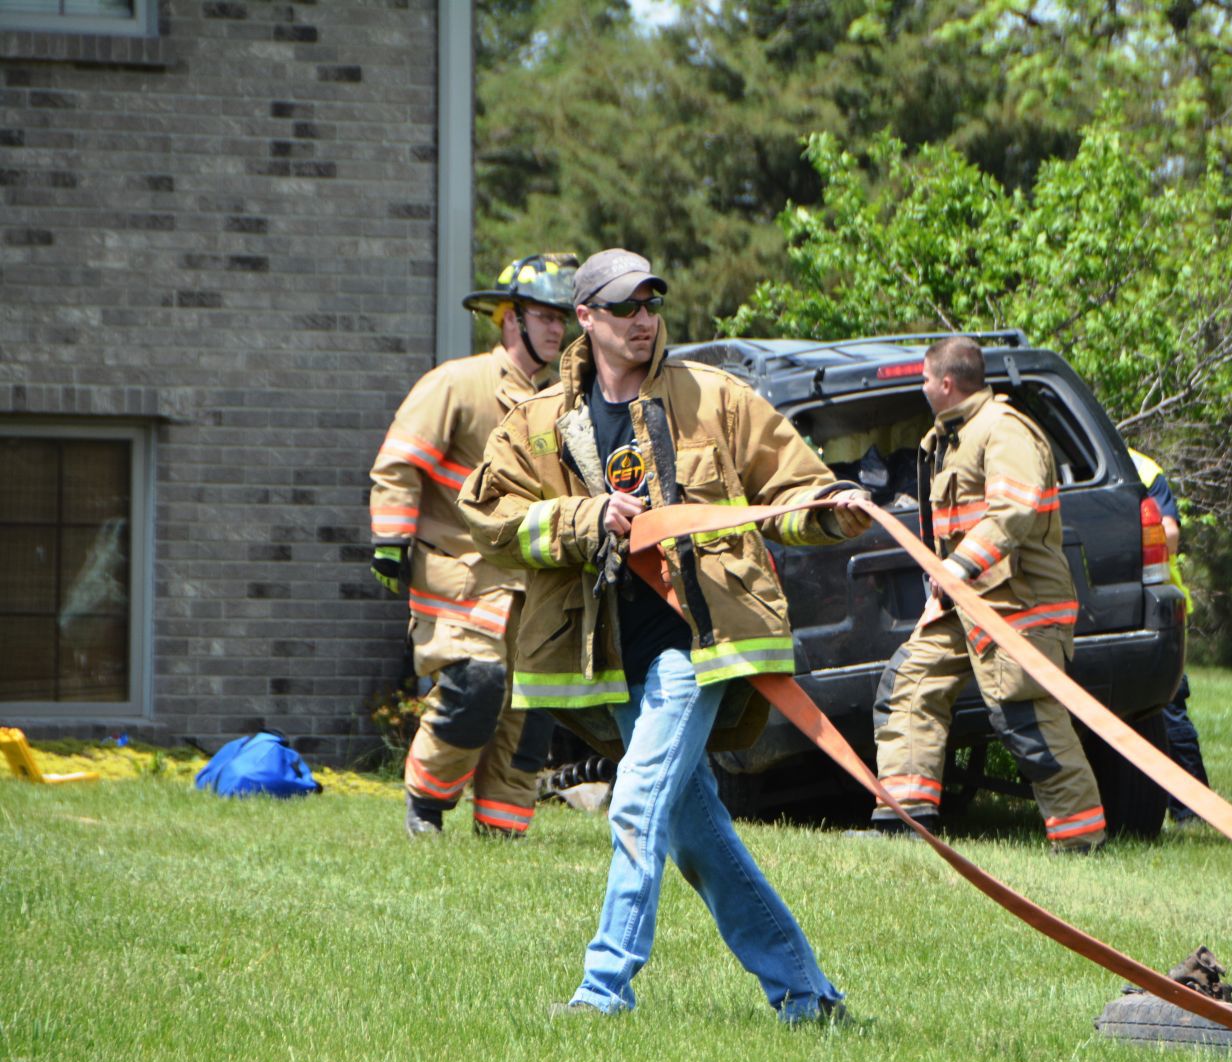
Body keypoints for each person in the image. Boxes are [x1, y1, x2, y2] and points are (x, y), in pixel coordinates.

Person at [458, 248, 869, 1020]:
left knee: (636, 803)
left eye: (651, 303)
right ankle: (807, 994)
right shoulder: (541, 425)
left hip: (696, 647)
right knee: (696, 834)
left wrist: (831, 509)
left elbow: (793, 488)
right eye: (624, 308)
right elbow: (488, 519)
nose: (643, 320)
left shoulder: (714, 397)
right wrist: (581, 519)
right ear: (587, 318)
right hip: (613, 656)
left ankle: (602, 990)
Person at [868, 336, 1107, 851]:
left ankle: (1080, 842)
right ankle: (904, 824)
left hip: (1018, 606)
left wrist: (953, 568)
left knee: (1028, 719)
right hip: (964, 604)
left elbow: (1012, 514)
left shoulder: (1003, 431)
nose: (922, 387)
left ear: (947, 383)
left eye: (925, 379)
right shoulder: (951, 437)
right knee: (908, 684)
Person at [369, 253, 576, 837]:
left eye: (562, 318)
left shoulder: (559, 404)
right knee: (476, 687)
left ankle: (503, 829)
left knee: (530, 710)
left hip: (529, 587)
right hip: (457, 575)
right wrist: (390, 539)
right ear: (509, 319)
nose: (557, 329)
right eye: (544, 316)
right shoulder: (457, 385)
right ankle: (426, 807)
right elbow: (399, 464)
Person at [1129, 448, 1210, 822]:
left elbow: (1171, 535)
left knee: (1170, 708)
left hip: (1152, 606)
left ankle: (1191, 809)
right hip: (1124, 606)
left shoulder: (1143, 469)